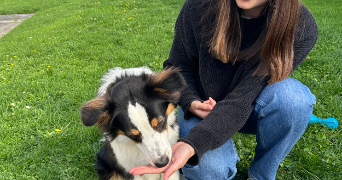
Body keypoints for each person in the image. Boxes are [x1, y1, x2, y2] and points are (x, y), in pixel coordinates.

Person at [130, 0, 318, 179]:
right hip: (203, 108)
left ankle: (261, 175)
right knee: (210, 172)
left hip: (252, 108)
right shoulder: (199, 6)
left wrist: (195, 142)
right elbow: (177, 66)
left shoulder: (300, 26)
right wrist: (190, 101)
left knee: (294, 100)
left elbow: (245, 96)